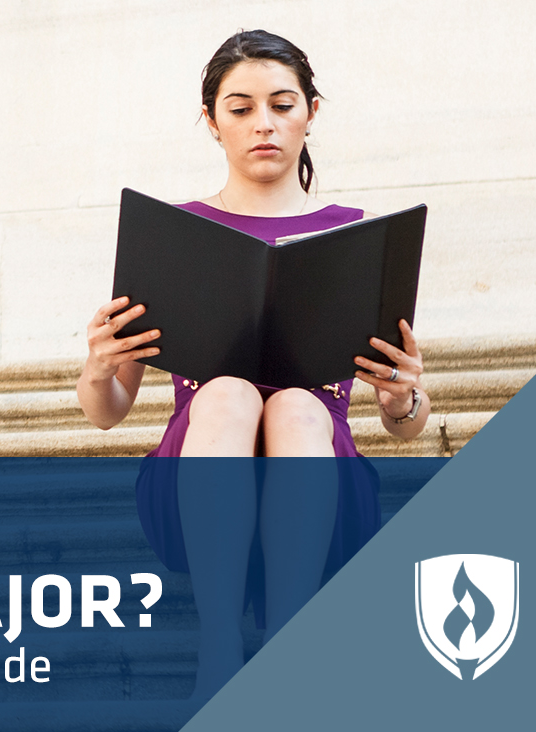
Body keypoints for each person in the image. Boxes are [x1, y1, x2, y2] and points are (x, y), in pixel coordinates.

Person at [74, 30, 431, 700]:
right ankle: (220, 646)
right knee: (228, 393)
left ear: (311, 113)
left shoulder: (356, 233)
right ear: (212, 122)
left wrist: (403, 398)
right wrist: (98, 367)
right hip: (200, 468)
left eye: (281, 104)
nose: (263, 124)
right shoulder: (173, 233)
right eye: (240, 108)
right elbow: (105, 413)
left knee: (298, 404)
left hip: (320, 469)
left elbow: (407, 426)